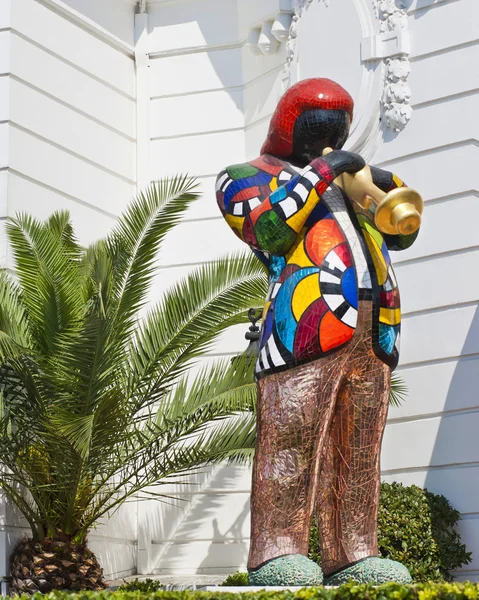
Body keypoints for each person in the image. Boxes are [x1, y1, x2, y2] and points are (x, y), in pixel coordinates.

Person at [216, 78, 418, 586]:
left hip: (374, 329)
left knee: (360, 448)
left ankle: (354, 551)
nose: (329, 138)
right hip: (304, 326)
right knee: (291, 440)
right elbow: (269, 231)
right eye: (316, 127)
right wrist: (325, 172)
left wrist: (381, 184)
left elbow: (406, 232)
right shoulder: (245, 177)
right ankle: (275, 549)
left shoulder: (356, 189)